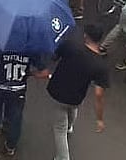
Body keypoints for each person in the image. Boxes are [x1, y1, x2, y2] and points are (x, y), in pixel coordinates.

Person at [46, 25, 110, 160]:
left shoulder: (71, 46)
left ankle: (63, 157)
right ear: (100, 40)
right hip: (76, 97)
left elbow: (53, 57)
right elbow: (99, 94)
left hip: (57, 92)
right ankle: (70, 126)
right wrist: (99, 119)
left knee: (59, 129)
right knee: (72, 109)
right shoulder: (101, 65)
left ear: (85, 36)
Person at [0, 46, 44, 155]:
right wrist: (30, 73)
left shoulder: (0, 45)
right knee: (15, 119)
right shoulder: (32, 48)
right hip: (18, 91)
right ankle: (10, 146)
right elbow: (44, 72)